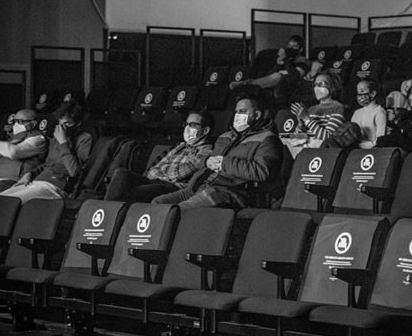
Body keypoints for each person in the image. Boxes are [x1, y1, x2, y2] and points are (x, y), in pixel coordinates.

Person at [152, 94, 282, 209]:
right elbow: (208, 160)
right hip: (196, 187)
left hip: (229, 192)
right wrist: (206, 161)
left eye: (242, 111)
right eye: (236, 112)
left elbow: (262, 171)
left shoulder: (267, 139)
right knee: (157, 204)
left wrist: (224, 163)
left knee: (178, 210)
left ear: (257, 115)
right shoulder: (225, 137)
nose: (237, 115)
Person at [103, 110, 214, 202]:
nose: (187, 128)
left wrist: (163, 170)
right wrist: (165, 171)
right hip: (155, 181)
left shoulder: (207, 151)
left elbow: (179, 173)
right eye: (186, 124)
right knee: (121, 173)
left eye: (192, 125)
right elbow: (152, 170)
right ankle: (104, 210)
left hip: (173, 187)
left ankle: (109, 215)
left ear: (205, 130)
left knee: (130, 192)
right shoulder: (180, 146)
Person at [0, 101, 92, 203]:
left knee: (7, 203)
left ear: (78, 123)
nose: (62, 128)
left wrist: (63, 142)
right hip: (36, 181)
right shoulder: (57, 137)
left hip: (55, 187)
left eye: (67, 123)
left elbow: (73, 171)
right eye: (60, 123)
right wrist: (30, 174)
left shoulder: (84, 139)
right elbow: (47, 164)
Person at [286, 69, 346, 156]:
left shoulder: (338, 108)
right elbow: (297, 138)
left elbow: (328, 139)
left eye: (321, 84)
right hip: (306, 148)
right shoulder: (311, 109)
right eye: (315, 85)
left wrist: (306, 119)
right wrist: (300, 125)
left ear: (333, 87)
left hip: (321, 152)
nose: (316, 88)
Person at [229, 35, 309, 96]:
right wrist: (278, 64)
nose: (290, 48)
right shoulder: (288, 58)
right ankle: (247, 83)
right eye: (289, 46)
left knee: (278, 76)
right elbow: (270, 75)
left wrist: (286, 60)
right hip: (276, 84)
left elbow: (296, 76)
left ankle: (247, 84)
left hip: (291, 85)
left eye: (294, 46)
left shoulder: (302, 59)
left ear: (300, 49)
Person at [350, 79, 387, 149]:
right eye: (358, 92)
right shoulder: (357, 113)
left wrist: (366, 145)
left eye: (362, 91)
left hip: (372, 150)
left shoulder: (379, 112)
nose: (359, 95)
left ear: (372, 93)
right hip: (356, 150)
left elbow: (380, 139)